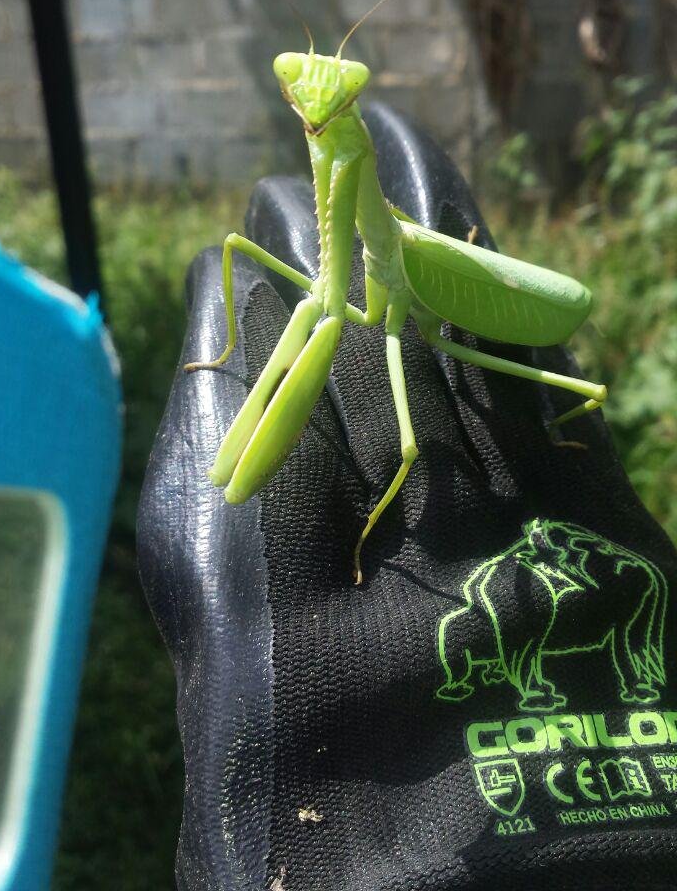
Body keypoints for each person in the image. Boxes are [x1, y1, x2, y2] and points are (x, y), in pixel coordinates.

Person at [138, 104, 677, 890]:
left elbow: (414, 435)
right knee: (235, 250)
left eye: (325, 114)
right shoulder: (335, 169)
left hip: (450, 296)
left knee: (425, 436)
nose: (310, 118)